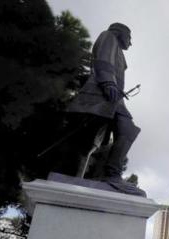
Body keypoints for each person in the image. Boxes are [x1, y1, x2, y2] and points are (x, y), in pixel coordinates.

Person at [66, 22, 144, 196]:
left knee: (127, 129)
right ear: (121, 32)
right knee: (91, 139)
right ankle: (109, 174)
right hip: (100, 93)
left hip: (114, 98)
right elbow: (103, 61)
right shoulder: (109, 37)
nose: (130, 42)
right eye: (129, 37)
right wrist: (108, 82)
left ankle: (111, 173)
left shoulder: (119, 51)